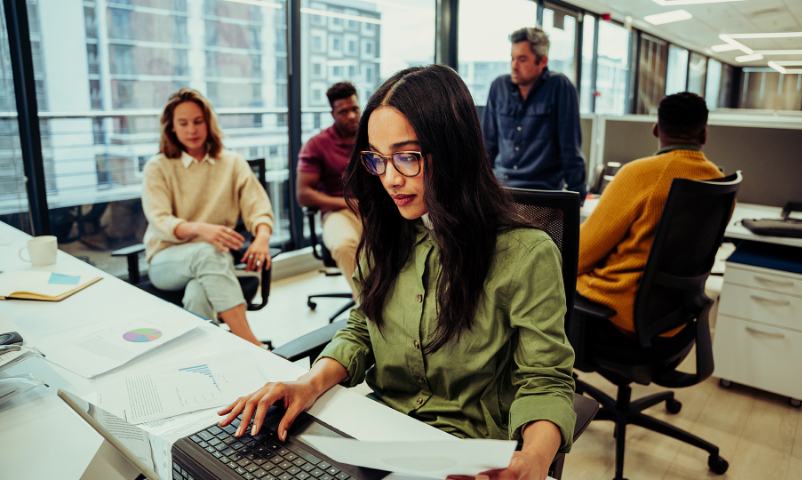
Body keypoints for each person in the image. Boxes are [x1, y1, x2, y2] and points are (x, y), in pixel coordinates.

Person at [219, 65, 576, 479]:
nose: (389, 178)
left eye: (406, 157)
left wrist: (532, 460)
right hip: (379, 436)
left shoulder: (525, 254)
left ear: (452, 150)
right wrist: (309, 383)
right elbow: (363, 327)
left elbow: (545, 381)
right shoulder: (388, 234)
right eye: (377, 158)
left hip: (465, 451)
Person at [577, 92, 723, 335]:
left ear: (656, 129)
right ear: (704, 134)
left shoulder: (638, 174)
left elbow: (581, 254)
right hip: (675, 314)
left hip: (619, 309)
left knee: (541, 277)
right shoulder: (719, 183)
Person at [142, 88, 273, 347]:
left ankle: (205, 359)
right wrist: (202, 229)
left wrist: (262, 238)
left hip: (213, 259)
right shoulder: (157, 167)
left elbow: (258, 207)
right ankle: (250, 345)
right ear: (172, 128)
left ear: (208, 122)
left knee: (197, 295)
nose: (192, 129)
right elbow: (160, 220)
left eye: (198, 121)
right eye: (183, 123)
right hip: (167, 260)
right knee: (206, 252)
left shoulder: (232, 163)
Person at [482, 27, 586, 197]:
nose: (514, 66)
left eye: (522, 59)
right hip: (501, 191)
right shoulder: (498, 87)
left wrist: (578, 196)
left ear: (543, 61)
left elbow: (570, 148)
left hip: (542, 193)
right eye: (512, 58)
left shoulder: (560, 87)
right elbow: (487, 145)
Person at [296, 82, 362, 294]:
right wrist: (346, 202)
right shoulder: (317, 144)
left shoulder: (371, 136)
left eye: (355, 109)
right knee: (344, 245)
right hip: (339, 211)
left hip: (375, 209)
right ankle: (366, 309)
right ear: (332, 113)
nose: (351, 116)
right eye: (343, 112)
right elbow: (303, 194)